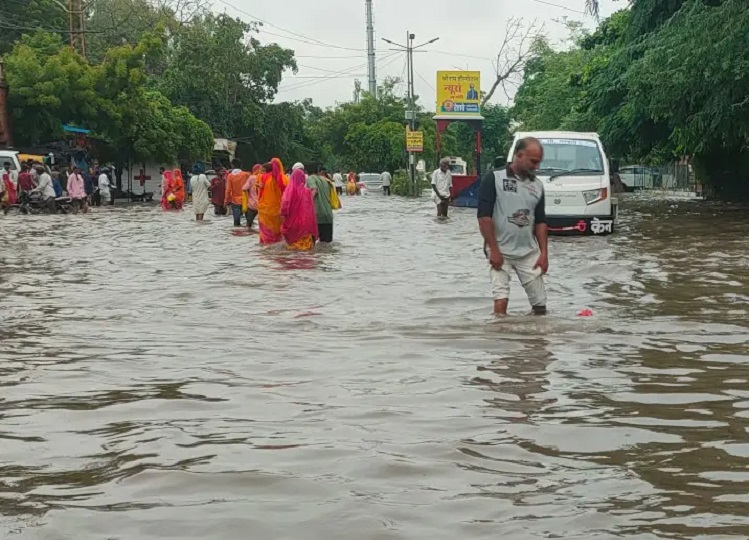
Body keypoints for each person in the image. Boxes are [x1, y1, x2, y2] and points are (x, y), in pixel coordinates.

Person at [477, 137, 549, 316]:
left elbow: (540, 222)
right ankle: (501, 340)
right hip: (500, 250)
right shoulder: (494, 178)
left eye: (539, 162)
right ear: (519, 155)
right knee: (501, 301)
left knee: (540, 306)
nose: (537, 167)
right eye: (533, 161)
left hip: (528, 252)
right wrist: (493, 249)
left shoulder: (537, 186)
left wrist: (544, 254)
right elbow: (484, 218)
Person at [281, 168, 318, 251]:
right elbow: (311, 209)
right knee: (307, 250)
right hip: (306, 224)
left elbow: (284, 207)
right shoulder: (308, 192)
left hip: (292, 223)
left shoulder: (288, 191)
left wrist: (283, 217)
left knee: (293, 249)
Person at [257, 158, 289, 244]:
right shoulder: (284, 178)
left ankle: (267, 251)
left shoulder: (263, 178)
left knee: (266, 233)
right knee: (278, 234)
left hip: (265, 210)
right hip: (278, 210)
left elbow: (259, 192)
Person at [307, 167, 337, 243]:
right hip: (328, 215)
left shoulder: (310, 178)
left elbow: (314, 190)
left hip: (317, 215)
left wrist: (306, 202)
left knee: (311, 245)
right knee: (326, 244)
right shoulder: (325, 179)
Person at [225, 159, 251, 227]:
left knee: (236, 223)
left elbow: (228, 190)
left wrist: (226, 201)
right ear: (241, 165)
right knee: (249, 223)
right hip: (246, 200)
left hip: (235, 201)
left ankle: (237, 235)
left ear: (232, 165)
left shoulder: (230, 176)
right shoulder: (246, 174)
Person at [242, 164, 261, 230]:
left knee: (248, 226)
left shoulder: (252, 177)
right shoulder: (265, 177)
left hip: (252, 205)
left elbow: (244, 188)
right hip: (262, 205)